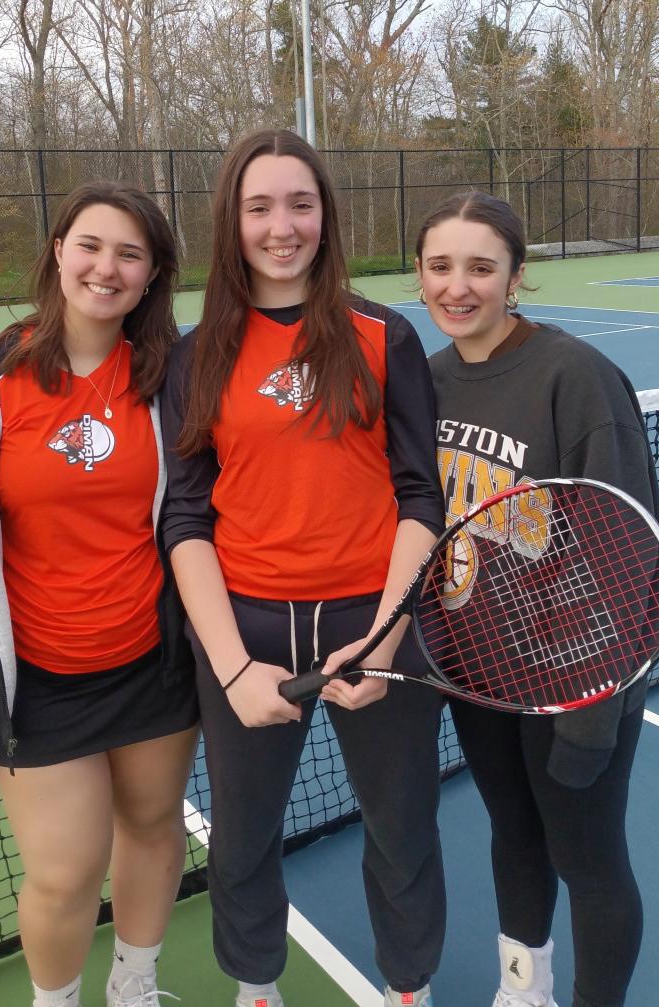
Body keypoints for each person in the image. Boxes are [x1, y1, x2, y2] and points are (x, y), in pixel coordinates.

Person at [0, 181, 199, 1007]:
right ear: (58, 251)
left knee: (154, 831)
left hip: (154, 669)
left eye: (131, 253)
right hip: (37, 684)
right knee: (64, 871)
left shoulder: (172, 379)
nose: (107, 268)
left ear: (153, 273)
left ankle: (134, 984)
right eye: (91, 245)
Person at [159, 128, 446, 1007]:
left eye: (300, 203)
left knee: (401, 828)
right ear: (231, 222)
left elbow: (419, 496)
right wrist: (234, 664)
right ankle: (256, 985)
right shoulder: (195, 350)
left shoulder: (382, 335)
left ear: (325, 214)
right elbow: (186, 514)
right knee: (244, 836)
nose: (282, 226)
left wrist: (388, 633)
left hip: (375, 616)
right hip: (248, 626)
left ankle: (408, 986)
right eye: (259, 207)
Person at [414, 190, 659, 1007]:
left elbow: (630, 556)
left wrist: (596, 709)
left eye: (481, 267)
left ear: (516, 275)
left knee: (587, 860)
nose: (460, 285)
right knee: (514, 836)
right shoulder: (428, 381)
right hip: (479, 675)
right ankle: (525, 989)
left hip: (575, 677)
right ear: (420, 276)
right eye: (441, 266)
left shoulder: (576, 377)